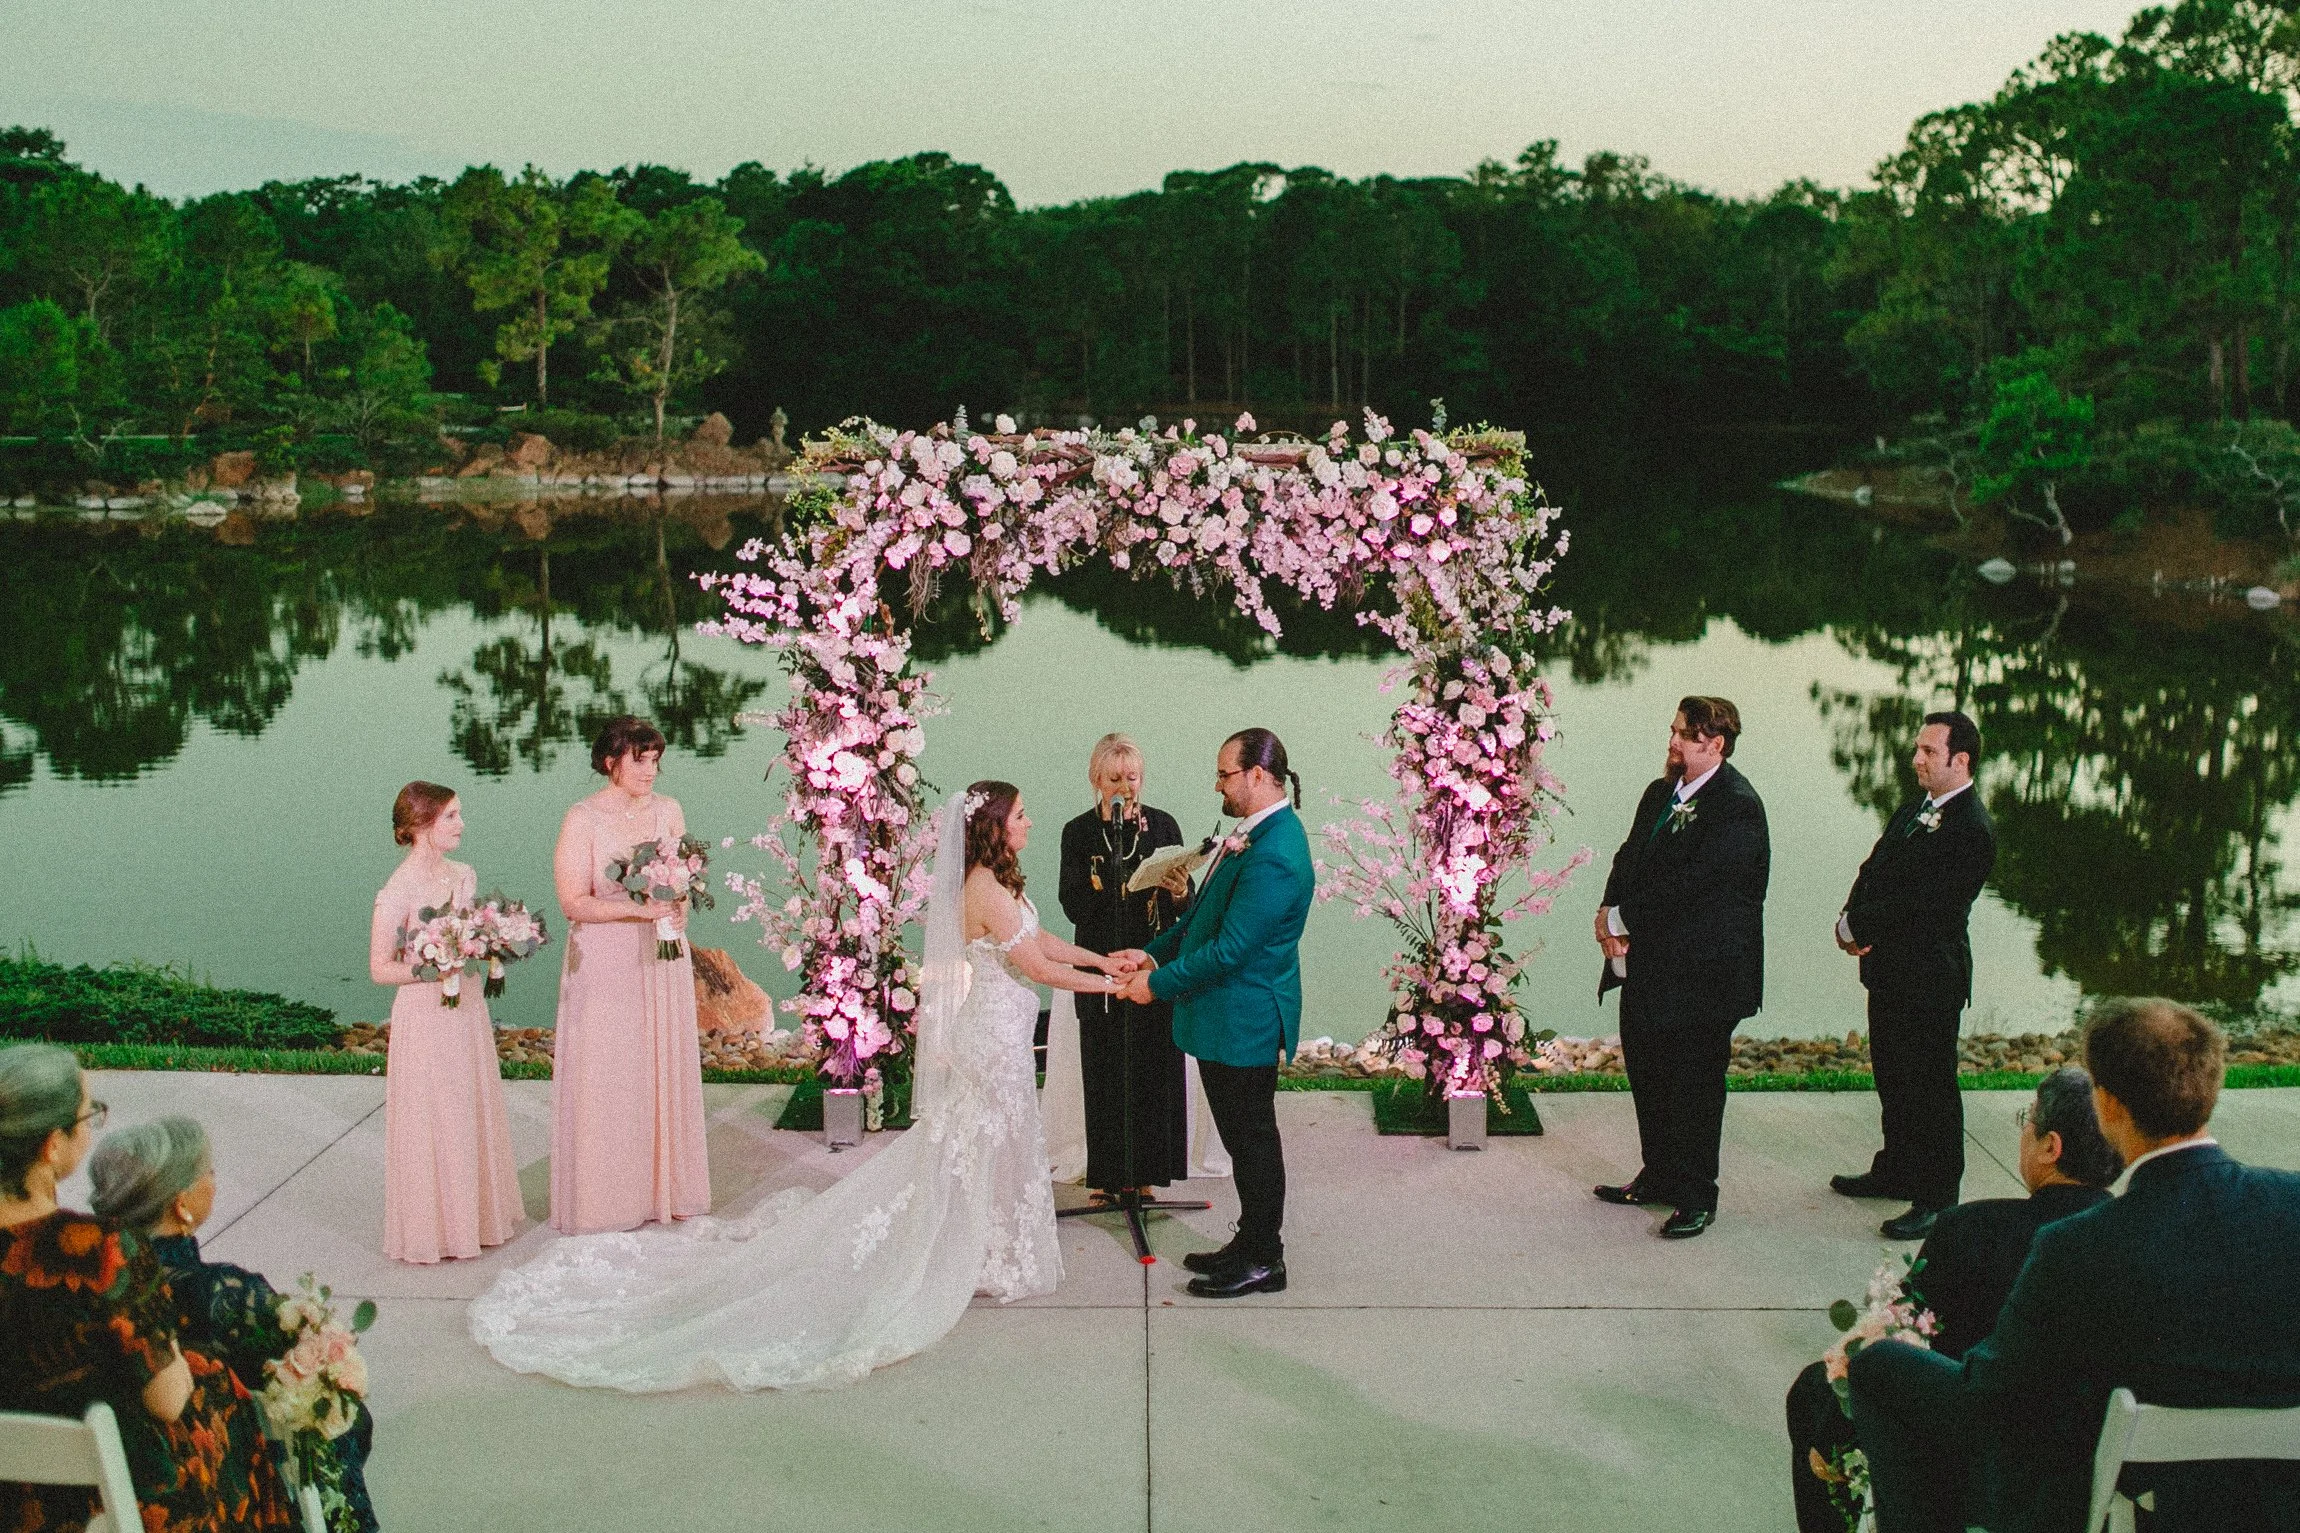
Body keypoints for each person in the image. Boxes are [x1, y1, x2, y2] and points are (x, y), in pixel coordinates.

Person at [471, 781, 1125, 1391]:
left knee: (992, 1141)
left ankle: (988, 1246)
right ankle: (976, 1251)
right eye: (1020, 815)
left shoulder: (995, 882)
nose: (1029, 822)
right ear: (995, 828)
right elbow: (1036, 964)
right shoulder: (983, 887)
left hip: (1002, 1031)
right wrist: (1116, 986)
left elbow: (1041, 939)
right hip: (992, 1037)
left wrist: (1102, 959)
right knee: (983, 1138)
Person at [1851, 999, 2300, 1533]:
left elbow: (1990, 1398)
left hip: (2140, 1494)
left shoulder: (2077, 1245)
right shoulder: (2292, 1204)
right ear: (2211, 1087)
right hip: (2277, 1502)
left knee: (1881, 1368)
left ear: (2106, 1106)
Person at [1785, 1067, 2118, 1533]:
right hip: (2081, 1474)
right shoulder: (2134, 1242)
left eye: (2028, 1119)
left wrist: (1834, 1433)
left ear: (2051, 1147)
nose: (2023, 1132)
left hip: (1968, 1472)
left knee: (1816, 1390)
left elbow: (1896, 1335)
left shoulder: (1972, 1229)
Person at [0, 1044, 295, 1533]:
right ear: (52, 1146)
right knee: (221, 1401)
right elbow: (167, 1399)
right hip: (101, 1506)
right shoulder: (103, 1250)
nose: (91, 1128)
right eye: (87, 1116)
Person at [89, 1117, 379, 1533]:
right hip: (225, 1496)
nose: (214, 1180)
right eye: (207, 1172)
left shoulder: (86, 1295)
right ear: (181, 1203)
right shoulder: (222, 1296)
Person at [1114, 727, 1316, 1298]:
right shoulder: (1253, 833)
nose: (1218, 785)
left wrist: (1155, 986)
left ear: (1258, 775)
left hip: (1245, 1018)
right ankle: (1249, 1241)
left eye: (1225, 774)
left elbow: (1230, 951)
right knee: (1240, 1137)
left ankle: (1265, 1258)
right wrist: (1150, 954)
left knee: (1252, 1140)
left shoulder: (1276, 853)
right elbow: (1202, 919)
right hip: (1224, 1014)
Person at [1590, 696, 1771, 1238]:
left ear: (1715, 745)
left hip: (1705, 974)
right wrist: (1608, 912)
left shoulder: (1736, 807)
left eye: (1683, 735)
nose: (1671, 742)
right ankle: (1659, 1174)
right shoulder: (1659, 793)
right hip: (1649, 964)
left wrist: (1623, 918)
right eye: (1672, 731)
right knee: (1648, 1069)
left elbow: (1695, 888)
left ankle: (1696, 1194)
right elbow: (1628, 858)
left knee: (1694, 1083)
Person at [1830, 710, 1999, 1241]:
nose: (1916, 760)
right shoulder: (1913, 809)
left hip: (1931, 978)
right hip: (1887, 971)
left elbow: (1930, 907)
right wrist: (1850, 917)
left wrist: (1864, 925)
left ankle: (1938, 1198)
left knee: (1932, 1088)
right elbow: (1874, 868)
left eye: (1928, 751)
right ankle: (1896, 1169)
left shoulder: (1973, 829)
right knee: (1893, 1075)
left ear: (1960, 760)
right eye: (1918, 749)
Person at [549, 716, 711, 1235]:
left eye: (656, 761)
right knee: (611, 1072)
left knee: (661, 1061)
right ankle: (608, 1198)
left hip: (662, 954)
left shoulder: (669, 811)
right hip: (606, 959)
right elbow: (573, 902)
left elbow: (681, 881)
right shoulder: (583, 818)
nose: (651, 771)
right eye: (640, 761)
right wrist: (637, 910)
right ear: (610, 762)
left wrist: (678, 906)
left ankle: (665, 1190)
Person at [372, 780, 521, 1263]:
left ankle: (473, 1220)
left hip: (467, 1007)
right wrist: (431, 969)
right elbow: (379, 968)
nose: (461, 824)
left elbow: (469, 936)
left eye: (459, 814)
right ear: (421, 824)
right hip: (424, 1014)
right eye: (451, 816)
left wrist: (492, 942)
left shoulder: (463, 875)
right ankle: (433, 1230)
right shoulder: (397, 890)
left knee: (466, 1106)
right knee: (433, 1114)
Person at [1058, 733, 1193, 1194]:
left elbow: (1186, 907)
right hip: (1100, 962)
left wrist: (1178, 890)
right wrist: (1115, 886)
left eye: (1132, 778)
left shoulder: (1163, 826)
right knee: (1105, 1071)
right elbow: (1072, 903)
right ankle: (1111, 1178)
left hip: (1152, 963)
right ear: (1096, 779)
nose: (1124, 787)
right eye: (1114, 778)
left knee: (1154, 1070)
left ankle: (1149, 1177)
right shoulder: (1078, 832)